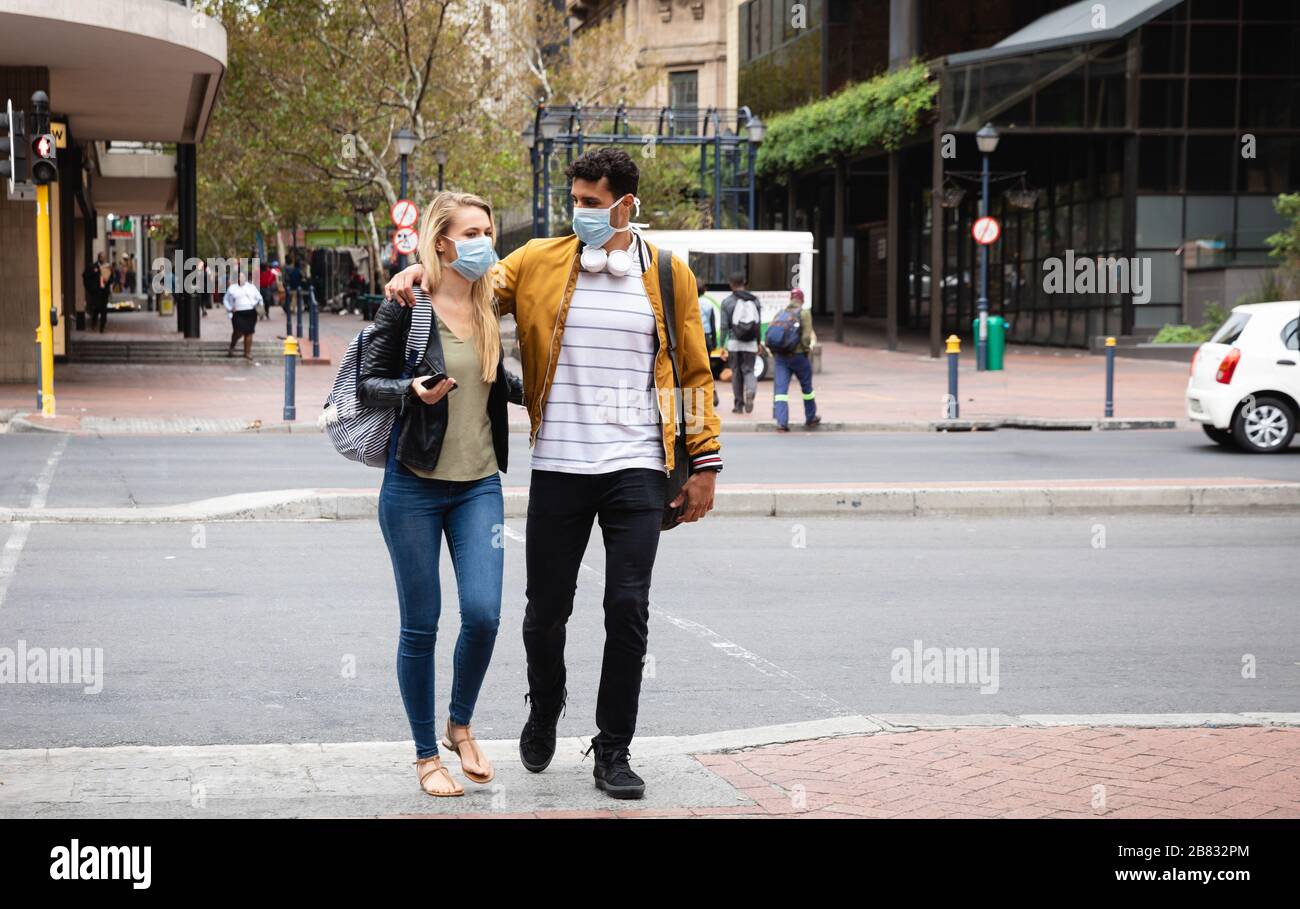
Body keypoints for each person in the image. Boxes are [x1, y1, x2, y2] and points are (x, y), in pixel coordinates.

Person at [385, 147, 722, 801]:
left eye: (592, 204)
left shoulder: (672, 278)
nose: (580, 213)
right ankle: (545, 705)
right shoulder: (539, 262)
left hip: (638, 467)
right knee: (545, 613)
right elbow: (468, 285)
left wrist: (705, 463)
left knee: (628, 607)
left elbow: (694, 373)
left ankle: (614, 747)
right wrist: (413, 275)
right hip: (560, 465)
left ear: (627, 205)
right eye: (575, 200)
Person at [359, 191, 524, 798]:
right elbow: (367, 383)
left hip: (479, 484)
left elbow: (489, 378)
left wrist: (536, 391)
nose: (485, 242)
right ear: (444, 240)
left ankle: (460, 722)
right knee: (421, 625)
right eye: (473, 232)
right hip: (413, 487)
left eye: (488, 230)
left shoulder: (487, 302)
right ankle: (427, 754)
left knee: (483, 614)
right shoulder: (408, 303)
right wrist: (413, 389)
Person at [767, 287, 821, 431]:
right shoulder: (804, 313)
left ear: (791, 299)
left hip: (780, 357)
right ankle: (810, 418)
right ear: (801, 300)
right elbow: (806, 337)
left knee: (781, 392)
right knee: (807, 389)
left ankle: (781, 423)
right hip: (798, 357)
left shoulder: (780, 313)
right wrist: (805, 350)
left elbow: (771, 335)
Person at [720, 271, 762, 414]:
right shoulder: (755, 300)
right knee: (749, 370)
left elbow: (724, 326)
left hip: (733, 343)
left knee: (736, 372)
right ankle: (750, 391)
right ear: (744, 282)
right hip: (750, 343)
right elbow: (758, 323)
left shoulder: (727, 302)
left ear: (731, 284)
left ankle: (738, 406)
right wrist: (759, 342)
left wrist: (721, 346)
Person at [223, 271, 261, 358]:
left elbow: (259, 298)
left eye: (243, 277)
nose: (241, 279)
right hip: (238, 313)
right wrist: (230, 308)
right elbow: (225, 299)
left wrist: (257, 305)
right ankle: (232, 347)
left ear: (246, 278)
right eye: (239, 277)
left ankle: (247, 352)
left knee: (249, 332)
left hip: (250, 312)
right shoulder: (232, 288)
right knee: (238, 332)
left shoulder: (251, 287)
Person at [696, 273, 720, 408]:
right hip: (706, 339)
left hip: (694, 338)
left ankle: (697, 398)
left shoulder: (687, 300)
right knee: (707, 368)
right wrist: (715, 343)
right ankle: (713, 394)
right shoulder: (708, 304)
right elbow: (712, 323)